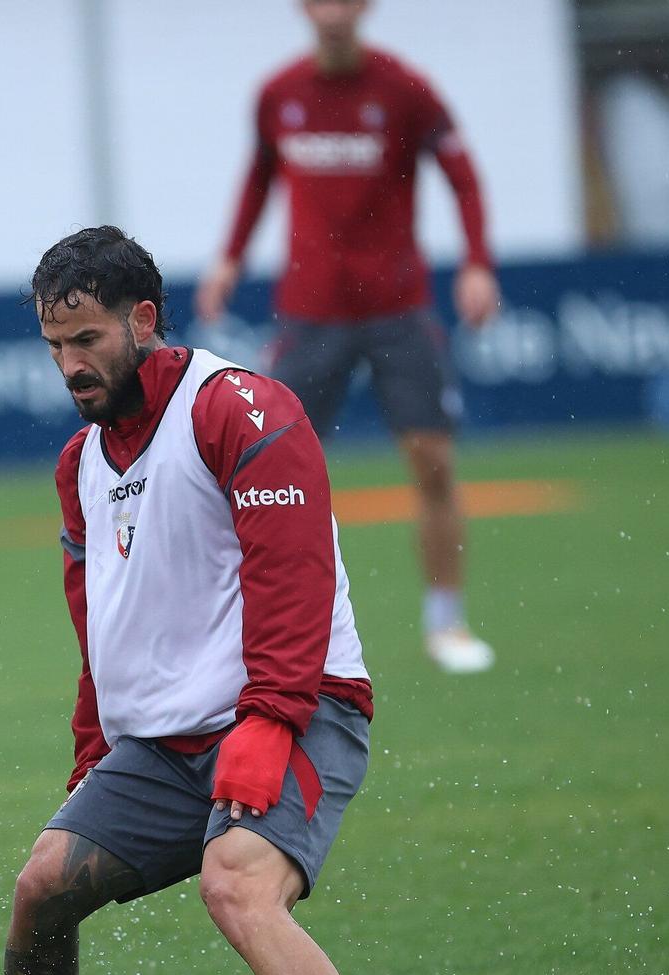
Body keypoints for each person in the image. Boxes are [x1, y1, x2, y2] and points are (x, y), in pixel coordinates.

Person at [0, 227, 410, 975]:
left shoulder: (240, 409)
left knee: (235, 883)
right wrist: (90, 750)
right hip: (157, 746)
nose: (69, 365)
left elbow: (296, 578)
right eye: (54, 347)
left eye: (88, 341)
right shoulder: (80, 464)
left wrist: (269, 721)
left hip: (300, 710)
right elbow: (98, 627)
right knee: (40, 887)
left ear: (143, 320)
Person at [197, 0, 501, 674]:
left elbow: (463, 174)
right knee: (263, 470)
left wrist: (478, 261)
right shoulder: (279, 94)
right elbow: (258, 178)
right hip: (310, 312)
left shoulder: (404, 89)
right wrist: (229, 257)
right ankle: (251, 629)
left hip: (397, 306)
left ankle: (446, 623)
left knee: (434, 462)